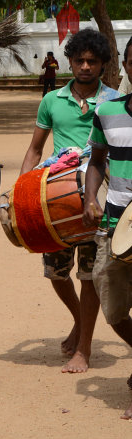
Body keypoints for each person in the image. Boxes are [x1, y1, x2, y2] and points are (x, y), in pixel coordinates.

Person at [20, 28, 119, 373]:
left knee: (90, 276)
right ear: (71, 62)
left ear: (104, 64)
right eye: (80, 60)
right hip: (56, 201)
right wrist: (22, 193)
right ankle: (80, 320)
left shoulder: (115, 101)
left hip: (98, 200)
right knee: (56, 274)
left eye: (93, 61)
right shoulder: (51, 101)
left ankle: (85, 350)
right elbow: (35, 149)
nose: (86, 67)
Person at [83, 75, 132, 419]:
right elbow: (97, 160)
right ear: (128, 67)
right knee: (112, 307)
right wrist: (90, 198)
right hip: (116, 225)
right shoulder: (107, 110)